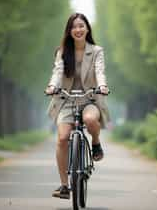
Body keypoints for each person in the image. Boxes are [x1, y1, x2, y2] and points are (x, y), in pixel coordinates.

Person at [45, 13, 110, 199]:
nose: (78, 29)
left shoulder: (96, 51)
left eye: (82, 26)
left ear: (87, 28)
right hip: (66, 100)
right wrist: (52, 86)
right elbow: (57, 72)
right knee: (62, 138)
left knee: (90, 119)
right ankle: (64, 186)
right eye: (74, 27)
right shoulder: (63, 51)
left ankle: (95, 142)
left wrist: (102, 86)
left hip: (89, 99)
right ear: (69, 31)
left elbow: (100, 71)